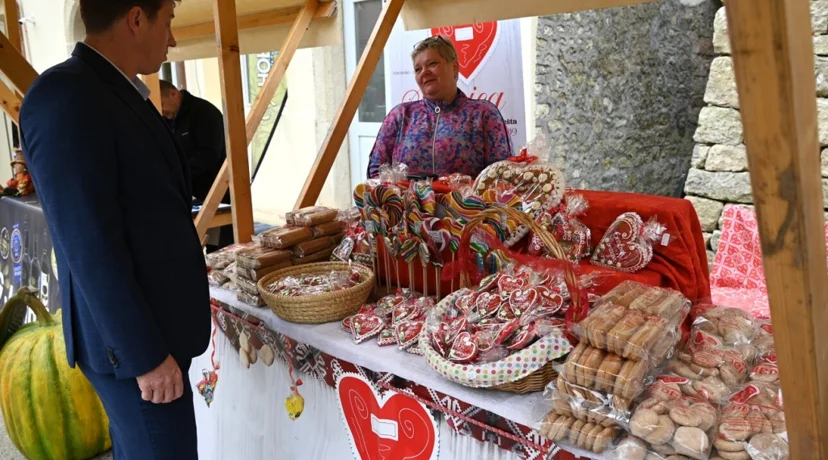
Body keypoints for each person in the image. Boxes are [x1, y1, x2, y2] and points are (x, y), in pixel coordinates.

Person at [18, 1, 209, 459]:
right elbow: (88, 245)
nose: (173, 39)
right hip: (135, 350)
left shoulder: (113, 89)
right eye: (169, 22)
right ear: (136, 19)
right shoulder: (65, 97)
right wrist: (144, 355)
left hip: (156, 334)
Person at [367, 35, 514, 179]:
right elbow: (375, 172)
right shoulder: (400, 115)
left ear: (454, 67)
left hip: (467, 197)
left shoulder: (484, 114)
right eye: (418, 69)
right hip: (403, 197)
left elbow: (503, 175)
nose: (424, 72)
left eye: (432, 64)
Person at [159, 79, 234, 252]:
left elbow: (208, 155)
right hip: (190, 194)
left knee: (220, 251)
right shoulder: (168, 119)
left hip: (217, 192)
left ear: (174, 94)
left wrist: (180, 177)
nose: (162, 112)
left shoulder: (204, 113)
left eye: (162, 104)